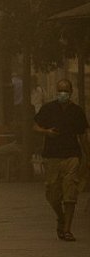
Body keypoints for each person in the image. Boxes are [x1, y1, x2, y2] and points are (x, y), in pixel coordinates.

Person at [33, 79, 89, 242]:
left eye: (65, 91)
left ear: (71, 92)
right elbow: (34, 126)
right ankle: (61, 216)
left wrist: (87, 156)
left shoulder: (77, 111)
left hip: (72, 156)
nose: (62, 93)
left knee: (70, 193)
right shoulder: (48, 109)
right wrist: (46, 131)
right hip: (52, 156)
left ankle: (67, 230)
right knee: (52, 193)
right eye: (60, 91)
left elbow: (83, 136)